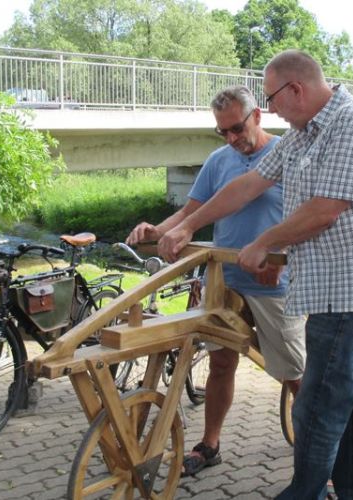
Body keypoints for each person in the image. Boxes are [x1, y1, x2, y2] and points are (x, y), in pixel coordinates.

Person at [158, 49, 353, 500]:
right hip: (329, 292)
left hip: (350, 295)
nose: (271, 111)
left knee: (316, 409)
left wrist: (264, 242)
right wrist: (188, 224)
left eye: (272, 99)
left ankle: (303, 493)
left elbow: (326, 209)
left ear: (297, 89)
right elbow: (247, 185)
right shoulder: (303, 135)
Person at [126, 85, 306, 478]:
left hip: (276, 283)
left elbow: (308, 216)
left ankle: (316, 457)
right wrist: (157, 231)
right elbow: (193, 213)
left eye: (237, 129)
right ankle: (210, 444)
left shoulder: (290, 155)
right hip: (225, 279)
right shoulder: (218, 161)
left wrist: (282, 252)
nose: (231, 139)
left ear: (257, 115)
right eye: (222, 132)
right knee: (221, 363)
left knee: (294, 373)